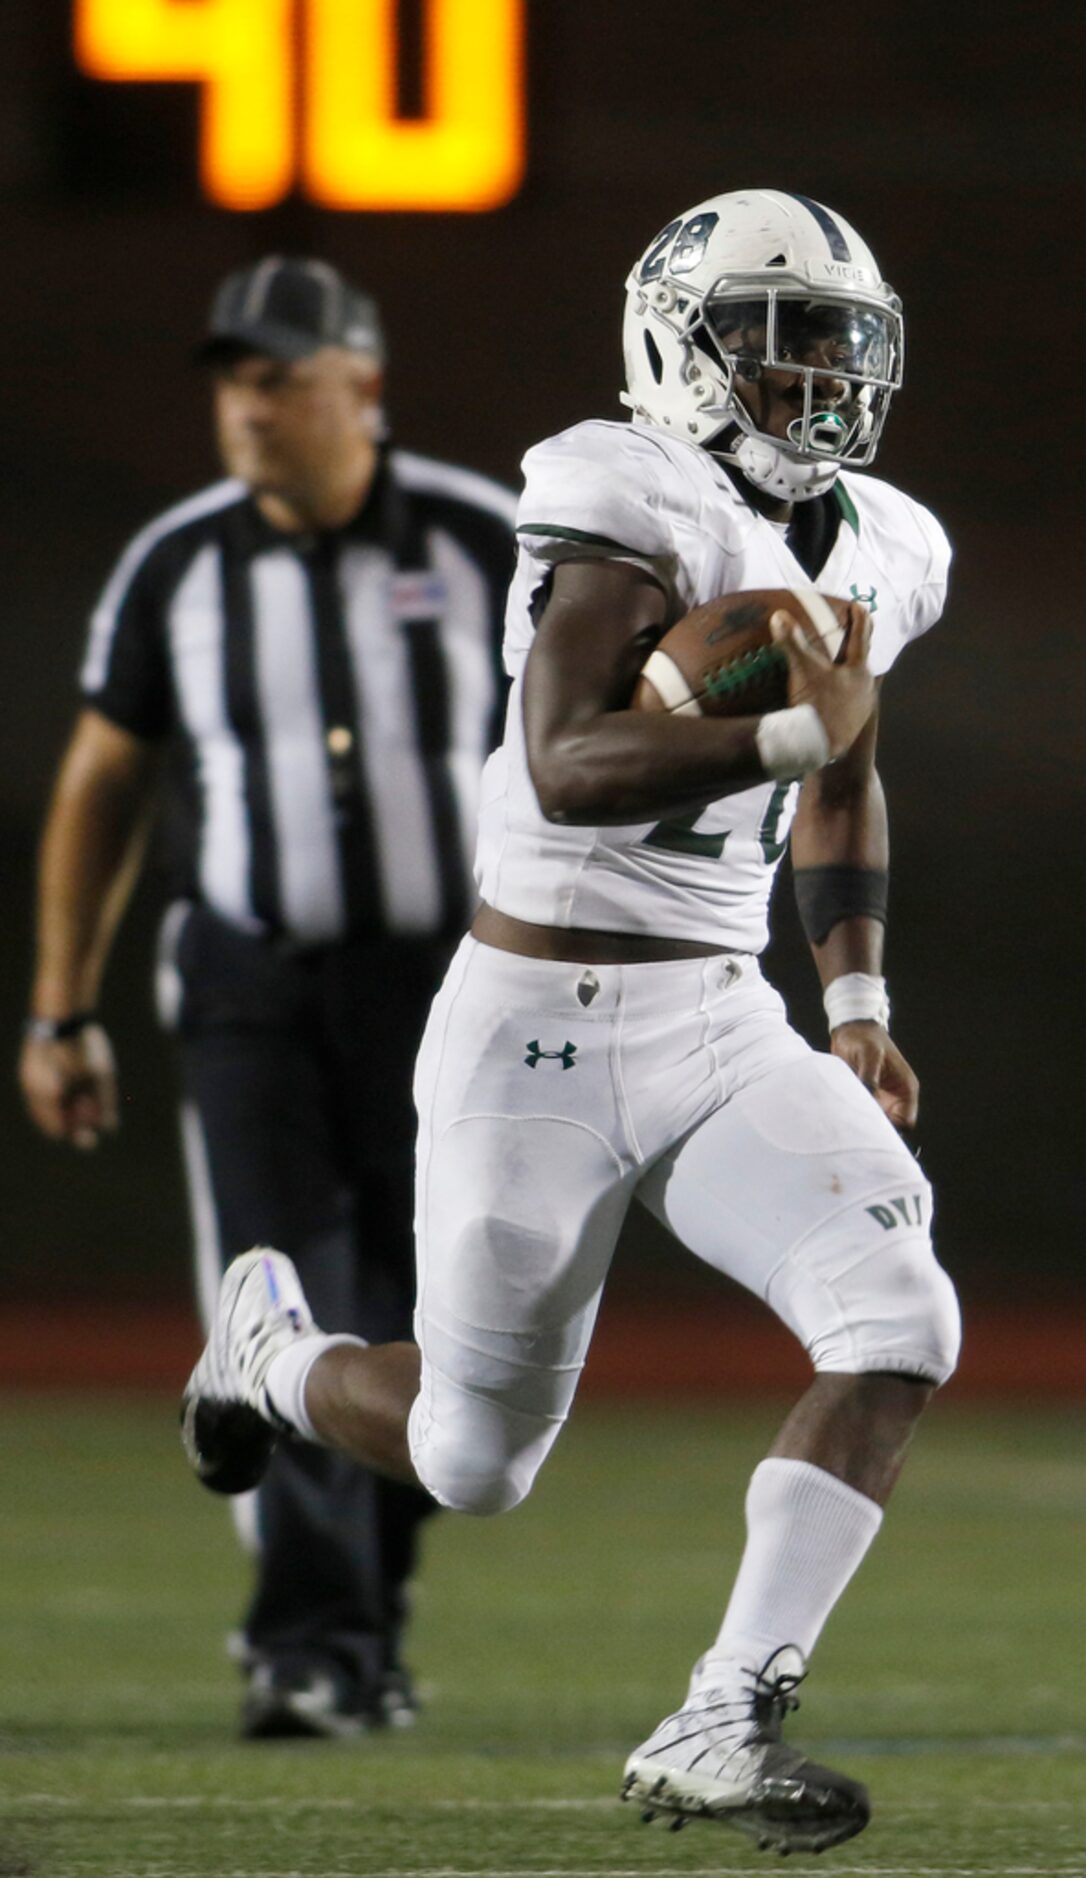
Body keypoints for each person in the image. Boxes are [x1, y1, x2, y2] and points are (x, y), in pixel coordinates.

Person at [179, 191, 961, 1851]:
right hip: (531, 1015)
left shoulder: (887, 539)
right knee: (473, 1458)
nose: (818, 371)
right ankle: (270, 1347)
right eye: (780, 336)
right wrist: (771, 742)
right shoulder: (621, 484)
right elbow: (566, 763)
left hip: (718, 1016)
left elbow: (849, 762)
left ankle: (720, 1712)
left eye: (836, 337)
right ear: (681, 343)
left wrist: (857, 994)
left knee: (897, 1317)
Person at [19, 255, 516, 1740]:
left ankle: (366, 1623)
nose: (250, 406)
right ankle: (307, 1643)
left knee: (446, 1321)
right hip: (253, 988)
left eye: (281, 375)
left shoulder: (488, 539)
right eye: (235, 379)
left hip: (454, 993)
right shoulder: (179, 562)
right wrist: (60, 1004)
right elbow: (103, 781)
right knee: (283, 1299)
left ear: (361, 382)